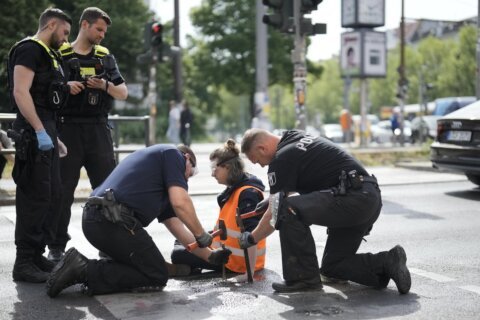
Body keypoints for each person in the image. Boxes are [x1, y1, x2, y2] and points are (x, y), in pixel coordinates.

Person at [239, 128, 411, 294]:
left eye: (257, 160)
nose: (261, 165)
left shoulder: (280, 159)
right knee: (333, 267)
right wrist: (271, 199)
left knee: (286, 208)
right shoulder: (294, 136)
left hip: (351, 200)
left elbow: (275, 213)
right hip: (367, 197)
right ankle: (387, 262)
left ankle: (303, 279)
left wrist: (252, 238)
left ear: (262, 148)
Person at [46, 144, 231, 297]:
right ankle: (84, 269)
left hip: (99, 219)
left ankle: (87, 269)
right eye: (189, 175)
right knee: (156, 275)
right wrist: (202, 234)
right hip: (112, 221)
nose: (186, 180)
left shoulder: (160, 180)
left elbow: (179, 230)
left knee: (147, 267)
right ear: (188, 159)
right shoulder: (174, 155)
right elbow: (181, 202)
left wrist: (210, 256)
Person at [47, 7, 128, 263]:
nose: (102, 35)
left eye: (104, 31)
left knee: (107, 191)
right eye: (99, 29)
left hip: (97, 129)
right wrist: (64, 87)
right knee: (62, 190)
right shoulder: (61, 53)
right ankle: (56, 246)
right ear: (84, 25)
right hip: (68, 128)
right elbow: (46, 89)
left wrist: (104, 85)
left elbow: (122, 92)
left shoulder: (105, 57)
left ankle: (110, 245)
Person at [6, 7, 72, 283]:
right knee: (34, 197)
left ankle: (36, 255)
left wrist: (52, 136)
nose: (67, 39)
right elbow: (21, 92)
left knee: (52, 195)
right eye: (65, 32)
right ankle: (24, 262)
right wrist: (39, 131)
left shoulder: (49, 55)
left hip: (44, 130)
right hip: (33, 135)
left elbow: (43, 100)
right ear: (51, 24)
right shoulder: (29, 49)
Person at [171, 139, 266, 278]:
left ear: (227, 167)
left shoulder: (247, 194)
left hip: (234, 262)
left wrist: (249, 273)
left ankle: (190, 268)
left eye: (215, 168)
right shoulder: (236, 189)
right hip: (225, 251)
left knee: (177, 254)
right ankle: (192, 267)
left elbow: (251, 235)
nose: (212, 174)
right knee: (181, 239)